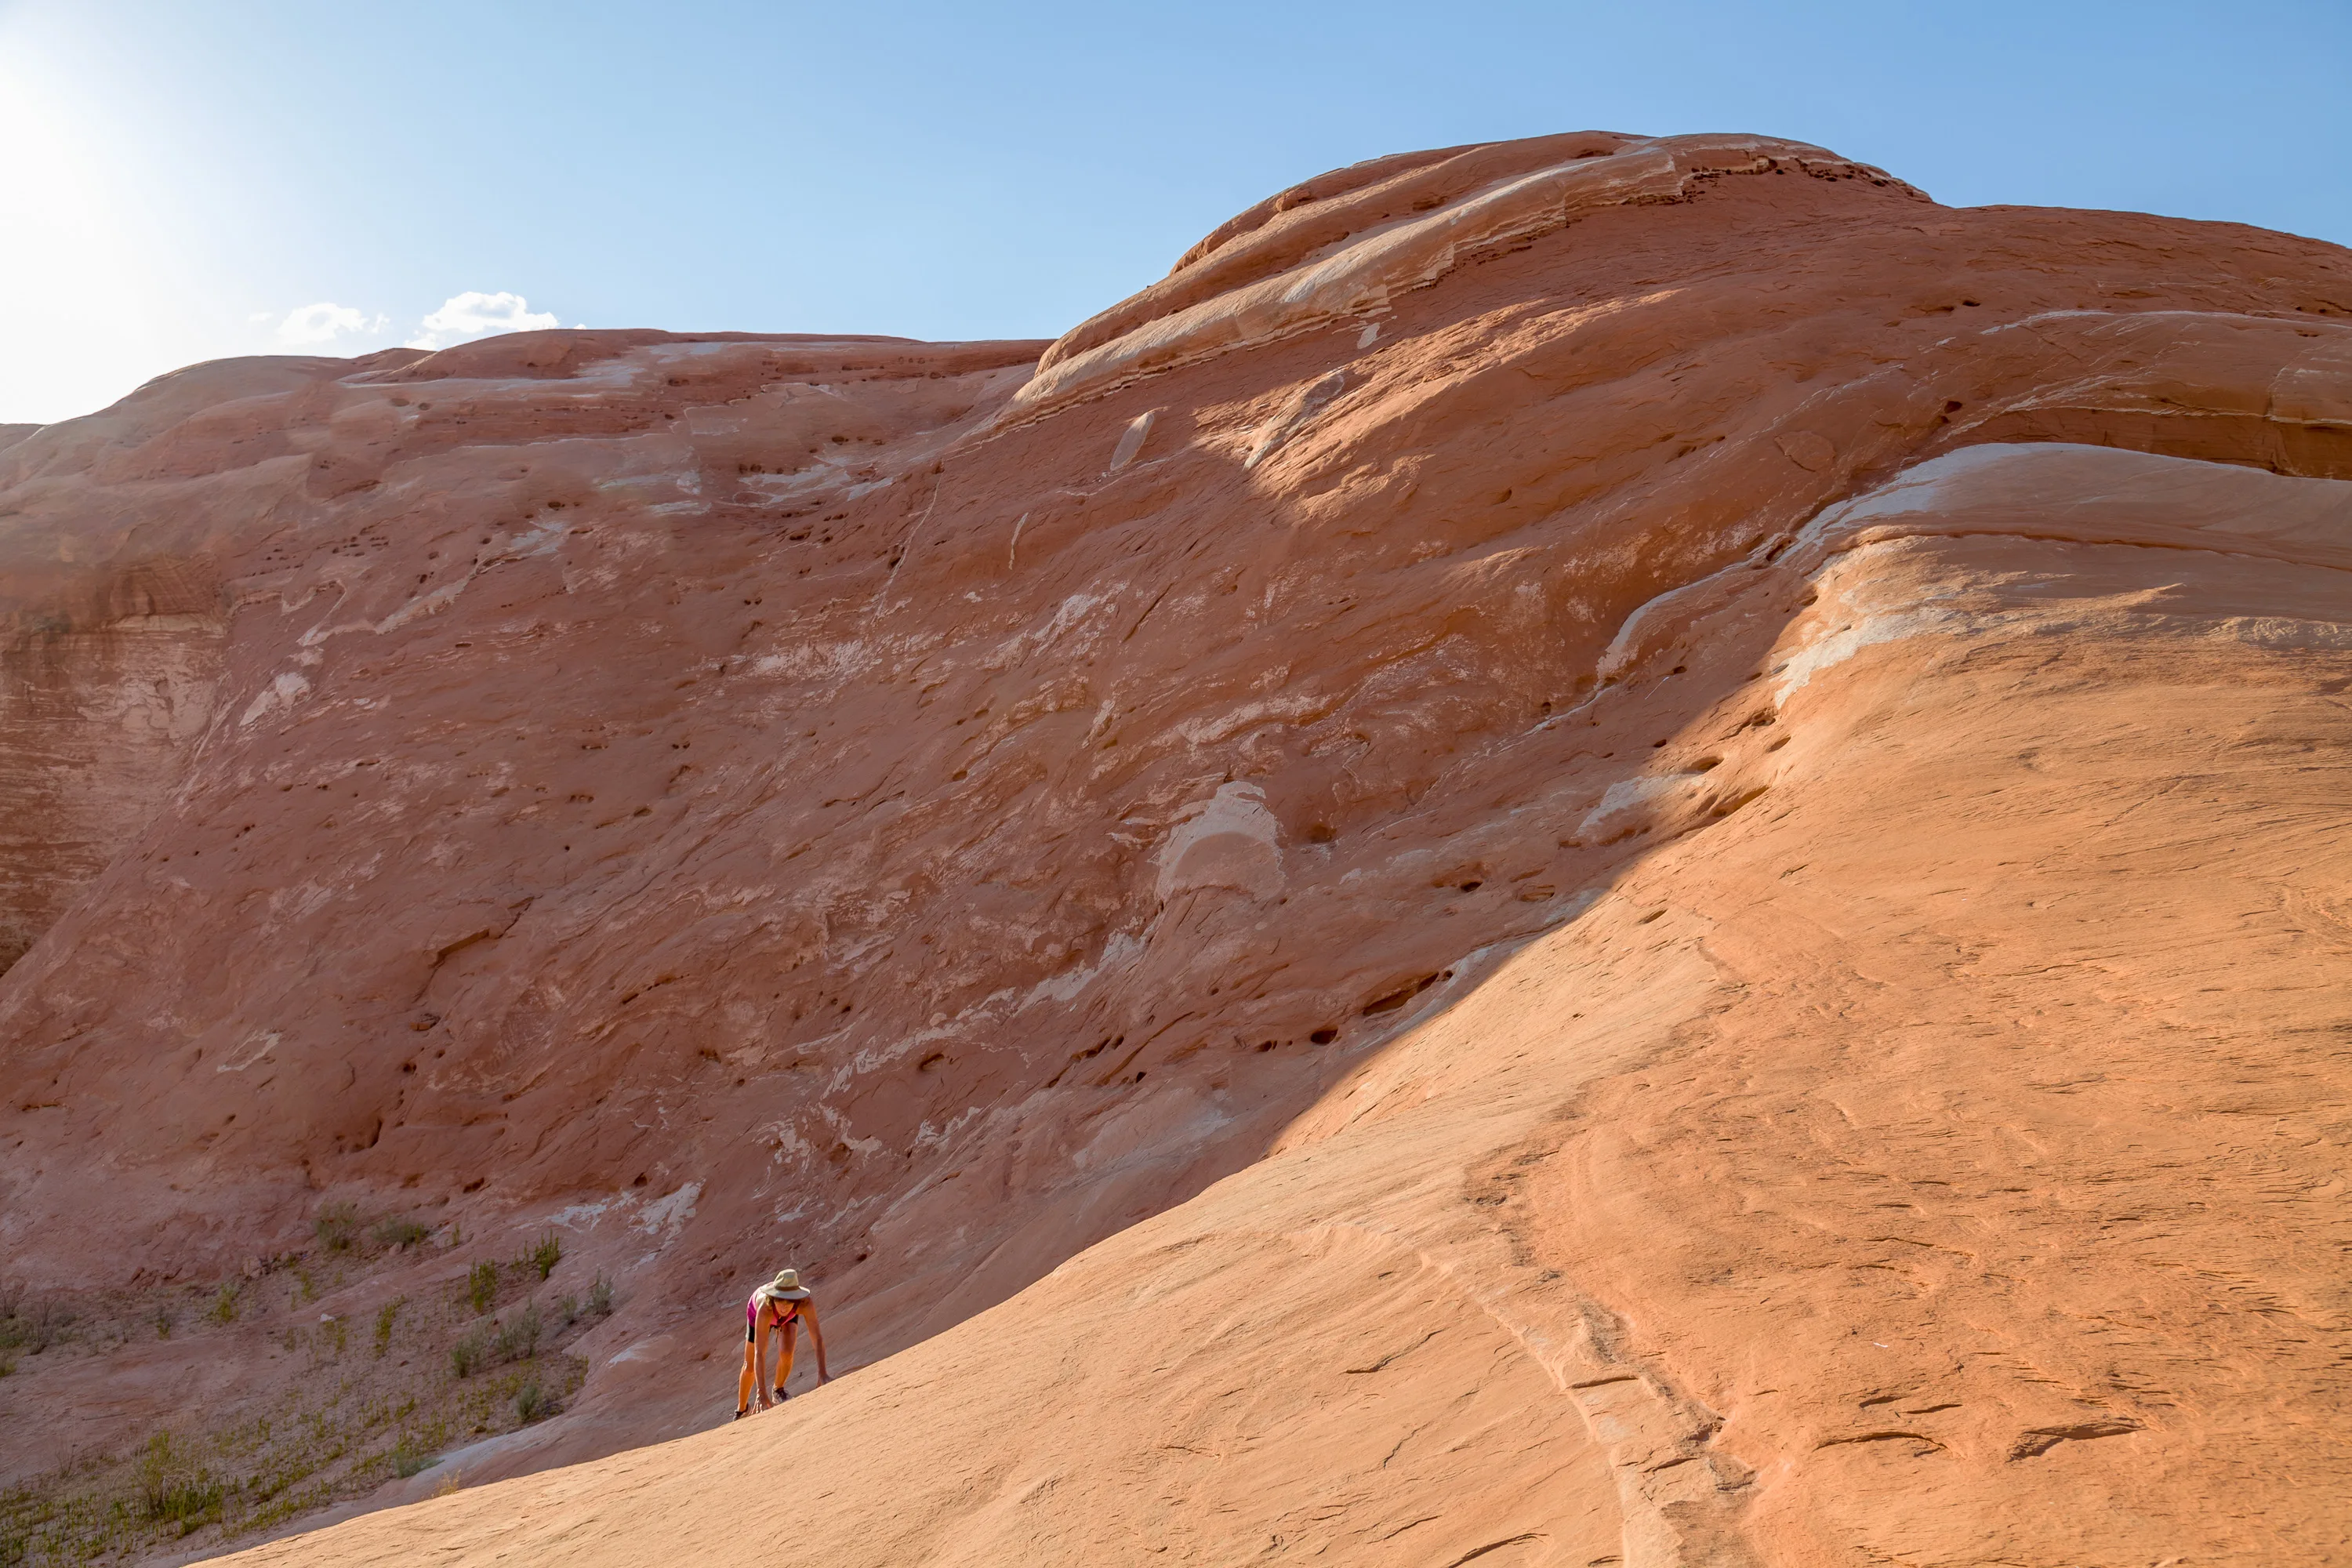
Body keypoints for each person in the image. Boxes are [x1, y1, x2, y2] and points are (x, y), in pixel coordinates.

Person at [735, 1267, 828, 1418]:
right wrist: (761, 1393)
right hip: (757, 1314)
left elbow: (817, 1338)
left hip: (787, 1318)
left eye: (789, 1301)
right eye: (780, 1300)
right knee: (749, 1366)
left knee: (787, 1353)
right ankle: (742, 1409)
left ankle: (778, 1390)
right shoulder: (765, 1308)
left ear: (796, 1299)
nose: (784, 1306)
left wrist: (823, 1373)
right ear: (773, 1298)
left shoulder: (804, 1303)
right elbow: (760, 1352)